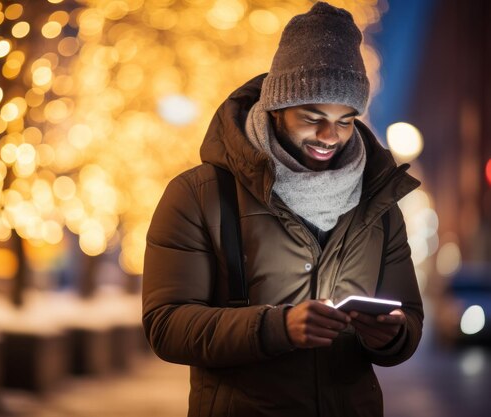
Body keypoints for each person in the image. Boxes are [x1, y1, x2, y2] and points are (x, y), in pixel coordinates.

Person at [142, 2, 424, 417]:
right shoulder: (198, 195)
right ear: (276, 109)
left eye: (345, 120)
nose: (330, 136)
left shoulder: (377, 202)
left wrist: (389, 336)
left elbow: (409, 320)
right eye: (313, 117)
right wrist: (277, 327)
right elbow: (166, 326)